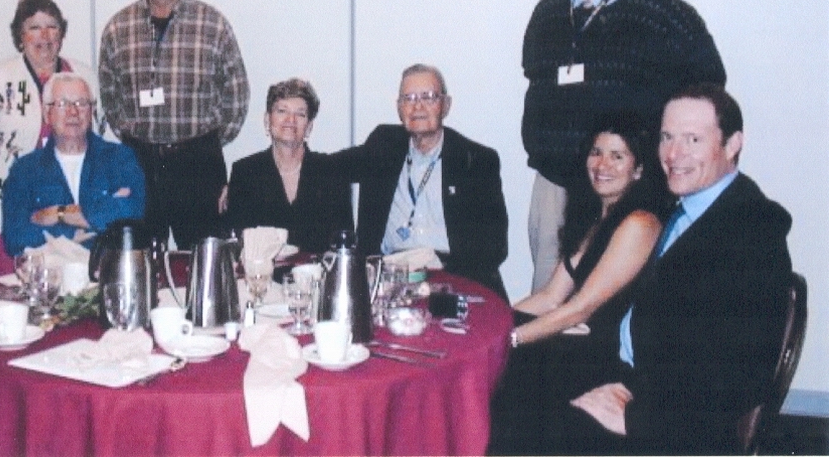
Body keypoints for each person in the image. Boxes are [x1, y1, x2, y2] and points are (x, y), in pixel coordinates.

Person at [562, 84, 792, 454]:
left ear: (732, 144)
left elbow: (744, 374)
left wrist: (636, 420)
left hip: (672, 424)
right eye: (667, 137)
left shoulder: (753, 230)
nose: (673, 153)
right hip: (625, 375)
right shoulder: (680, 206)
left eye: (693, 140)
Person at [521, 0, 726, 292]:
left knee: (613, 299)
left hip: (630, 187)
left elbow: (709, 88)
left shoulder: (666, 15)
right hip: (557, 182)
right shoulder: (549, 12)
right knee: (548, 294)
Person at [488, 111, 669, 455]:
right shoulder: (596, 219)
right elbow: (549, 296)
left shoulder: (639, 222)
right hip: (577, 344)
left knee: (507, 377)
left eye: (618, 156)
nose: (602, 164)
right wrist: (492, 323)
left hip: (606, 359)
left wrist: (509, 339)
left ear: (640, 169)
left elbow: (580, 308)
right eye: (596, 152)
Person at [99, 0, 249, 250]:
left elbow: (236, 95)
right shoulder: (117, 28)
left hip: (197, 164)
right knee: (139, 257)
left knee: (203, 259)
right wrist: (133, 136)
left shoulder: (212, 24)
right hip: (140, 162)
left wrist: (205, 141)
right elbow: (110, 96)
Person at [0, 0, 107, 283]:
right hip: (1, 214)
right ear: (20, 35)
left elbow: (98, 129)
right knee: (4, 296)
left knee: (68, 297)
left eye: (51, 26)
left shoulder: (84, 77)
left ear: (61, 33)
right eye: (34, 27)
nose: (44, 36)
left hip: (68, 213)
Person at [333, 64, 509, 301]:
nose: (418, 106)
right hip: (389, 281)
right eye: (409, 98)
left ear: (445, 105)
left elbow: (494, 248)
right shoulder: (384, 145)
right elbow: (328, 169)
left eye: (428, 97)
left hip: (451, 280)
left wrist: (437, 281)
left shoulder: (475, 160)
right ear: (399, 107)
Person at [1, 73, 146, 257]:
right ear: (47, 113)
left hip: (106, 273)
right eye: (62, 104)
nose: (73, 112)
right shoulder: (24, 170)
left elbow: (134, 211)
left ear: (91, 111)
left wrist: (58, 214)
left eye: (82, 103)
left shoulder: (120, 158)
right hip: (51, 278)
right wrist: (72, 232)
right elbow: (15, 237)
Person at [225, 78, 353, 253]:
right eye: (282, 111)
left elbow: (343, 244)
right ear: (267, 121)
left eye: (300, 114)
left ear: (308, 127)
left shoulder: (331, 172)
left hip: (318, 276)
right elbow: (235, 245)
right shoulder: (245, 172)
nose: (290, 120)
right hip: (262, 277)